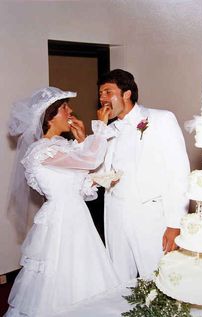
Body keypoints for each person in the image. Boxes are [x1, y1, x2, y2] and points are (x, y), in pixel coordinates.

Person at [5, 87, 120, 317]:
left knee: (86, 273)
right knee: (63, 277)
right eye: (65, 107)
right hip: (63, 220)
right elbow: (89, 158)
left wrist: (82, 141)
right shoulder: (41, 151)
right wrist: (100, 128)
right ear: (50, 116)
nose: (71, 111)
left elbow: (80, 182)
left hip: (78, 217)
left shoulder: (61, 147)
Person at [96, 69, 190, 283]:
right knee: (120, 281)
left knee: (158, 277)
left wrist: (175, 223)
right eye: (100, 94)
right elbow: (100, 172)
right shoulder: (109, 130)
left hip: (149, 216)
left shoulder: (160, 119)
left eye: (107, 92)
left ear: (126, 94)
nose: (102, 99)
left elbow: (178, 173)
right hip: (114, 215)